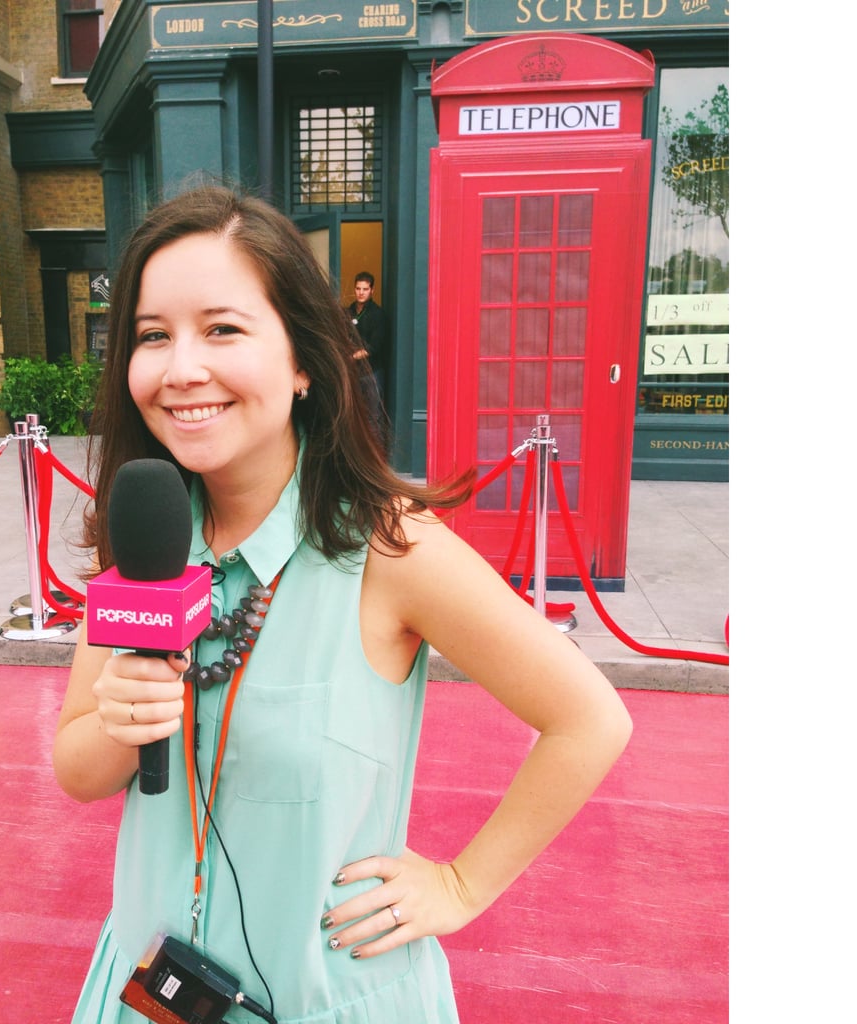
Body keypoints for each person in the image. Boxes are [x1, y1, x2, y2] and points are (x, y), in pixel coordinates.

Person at [53, 184, 632, 1024]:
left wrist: (462, 885)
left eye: (222, 328)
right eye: (152, 335)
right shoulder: (144, 540)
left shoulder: (392, 547)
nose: (181, 369)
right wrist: (118, 718)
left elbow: (591, 718)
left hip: (326, 998)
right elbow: (79, 773)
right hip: (147, 993)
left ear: (300, 362)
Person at [344, 272, 390, 452]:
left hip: (371, 373)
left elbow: (374, 347)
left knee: (373, 416)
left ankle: (376, 457)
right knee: (353, 415)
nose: (361, 293)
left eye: (365, 289)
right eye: (358, 289)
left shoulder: (378, 315)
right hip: (352, 372)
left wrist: (350, 357)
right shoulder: (347, 312)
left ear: (372, 291)